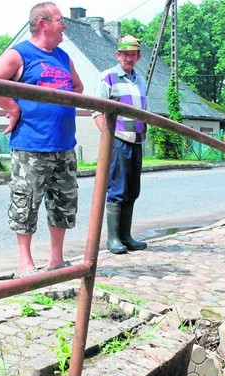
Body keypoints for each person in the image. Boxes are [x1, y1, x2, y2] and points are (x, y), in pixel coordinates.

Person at [0, 2, 84, 277]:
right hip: (31, 144)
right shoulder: (20, 54)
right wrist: (13, 107)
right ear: (43, 24)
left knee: (63, 202)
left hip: (64, 144)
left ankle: (56, 259)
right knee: (26, 203)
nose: (64, 25)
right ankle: (25, 262)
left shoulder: (63, 57)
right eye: (60, 20)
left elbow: (78, 87)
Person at [92, 35, 148, 254]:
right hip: (118, 140)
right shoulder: (108, 77)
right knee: (117, 189)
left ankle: (126, 236)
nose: (128, 58)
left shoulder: (140, 80)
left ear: (138, 57)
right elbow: (96, 110)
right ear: (118, 55)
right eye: (125, 54)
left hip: (137, 141)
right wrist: (109, 138)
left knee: (133, 189)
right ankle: (113, 238)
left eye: (132, 54)